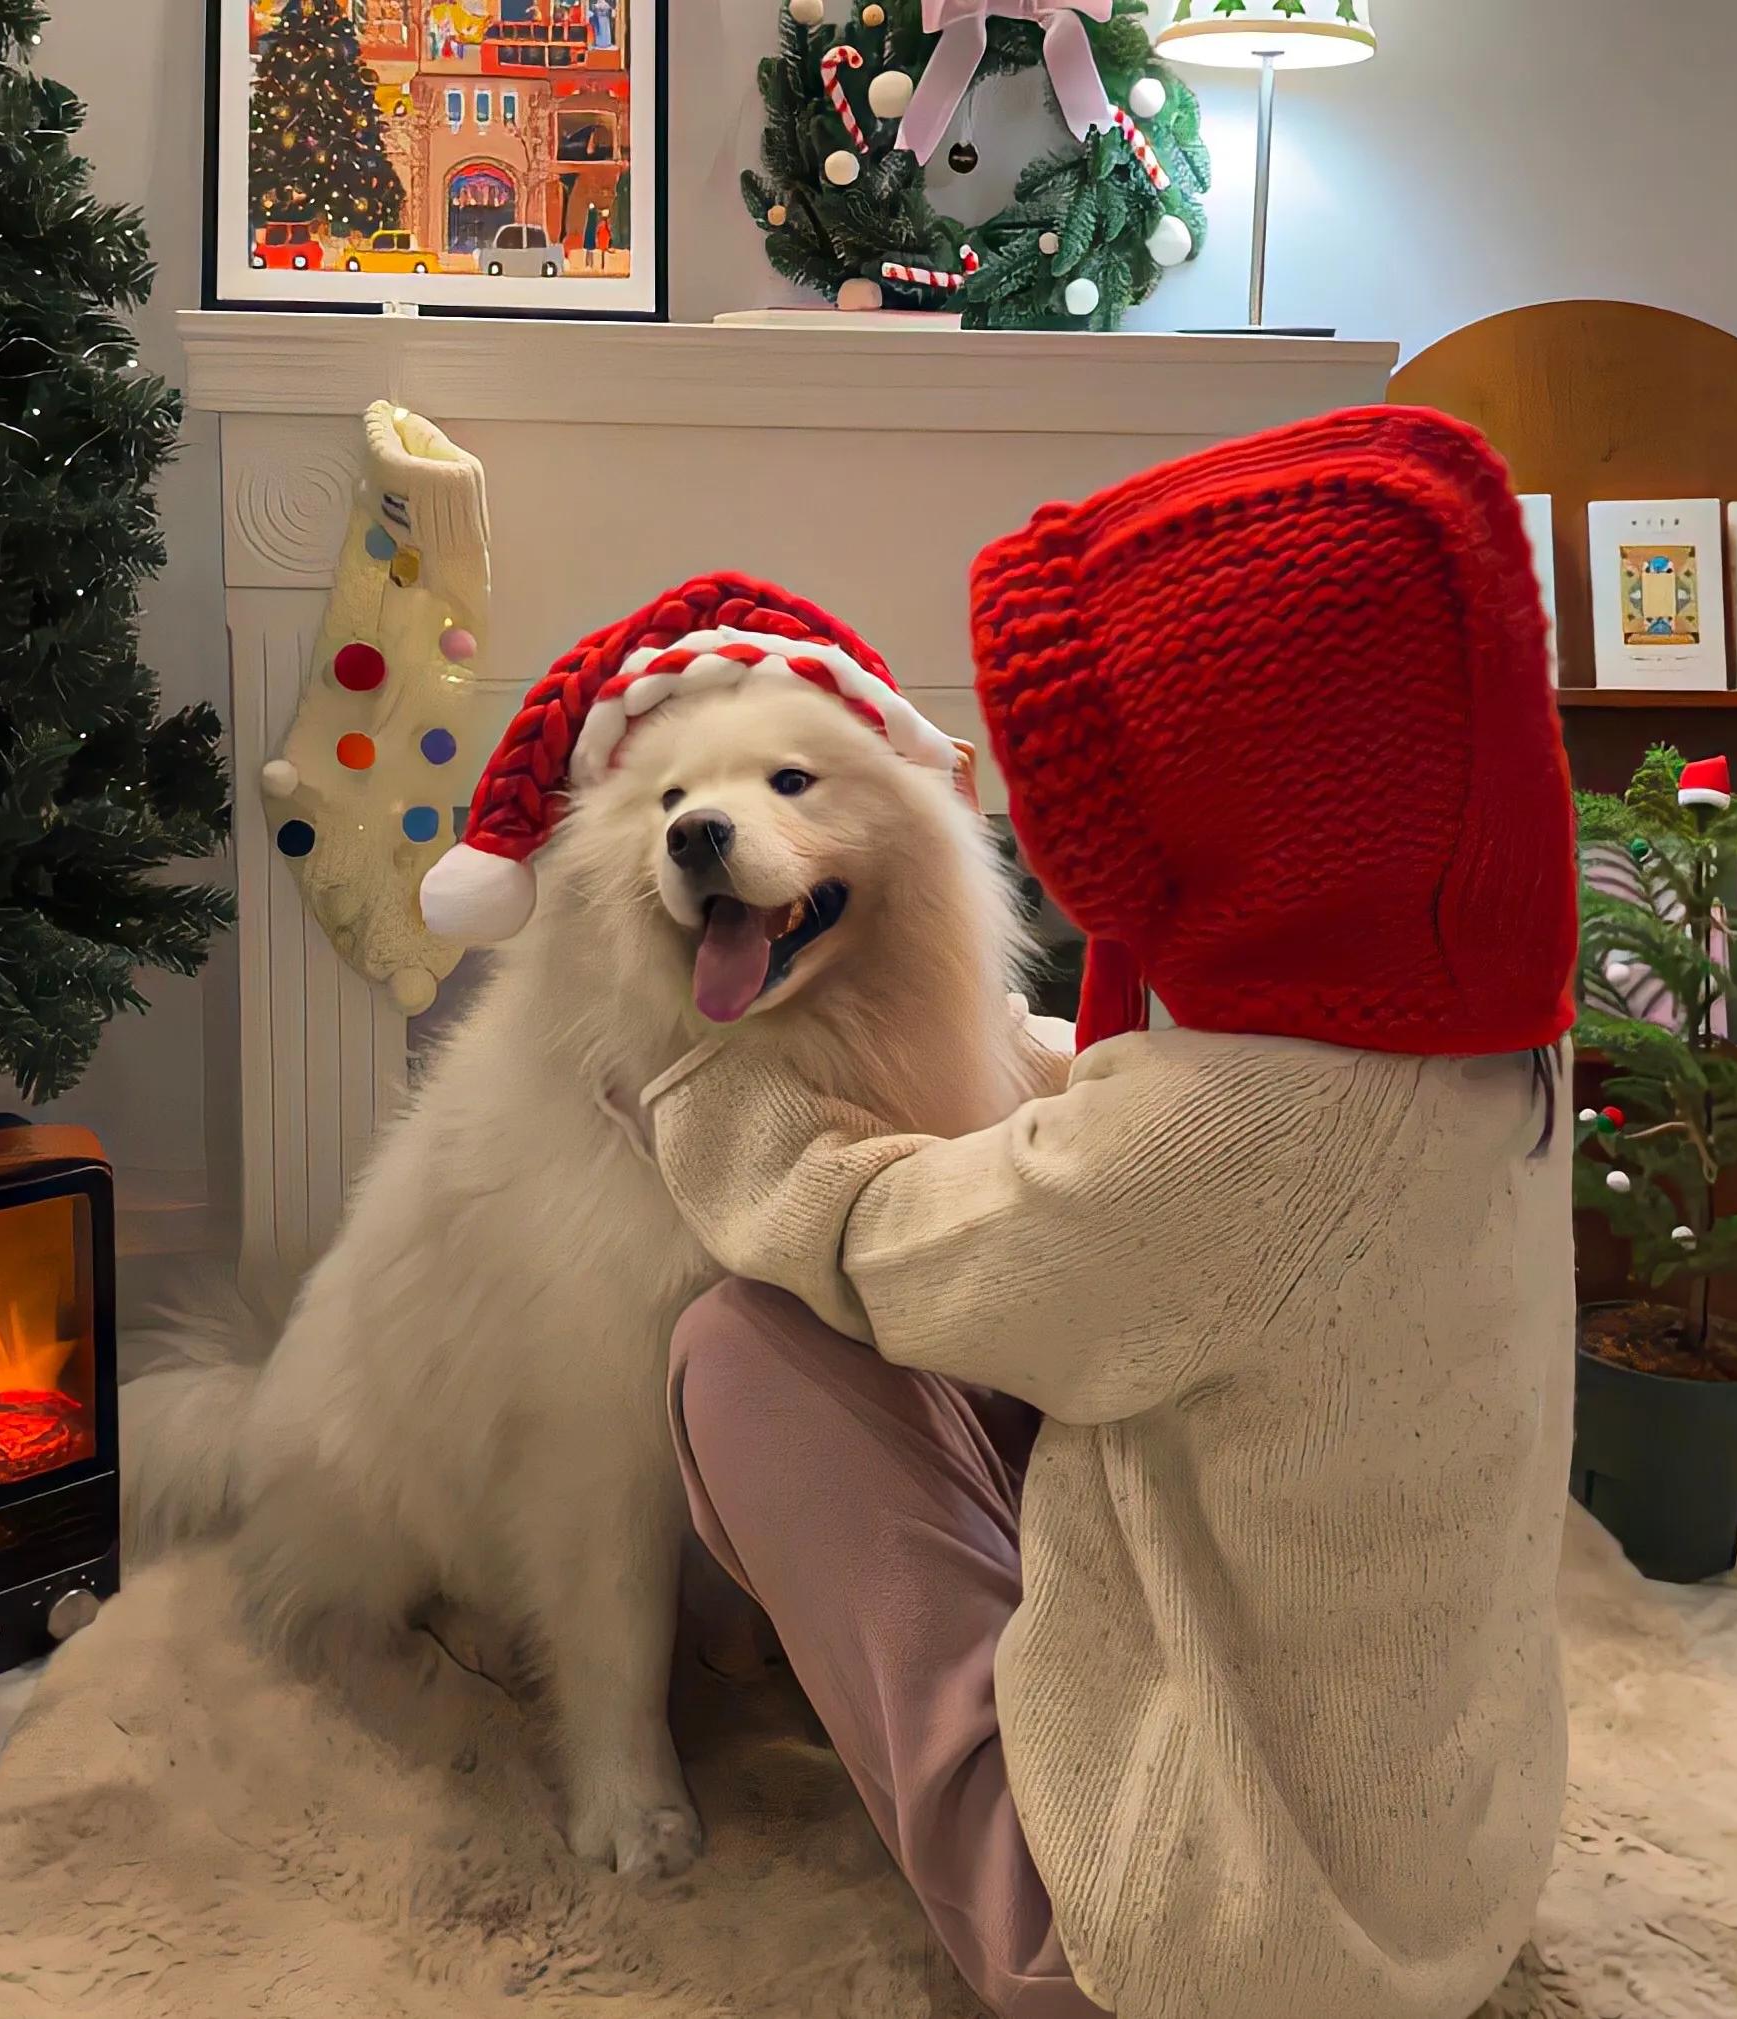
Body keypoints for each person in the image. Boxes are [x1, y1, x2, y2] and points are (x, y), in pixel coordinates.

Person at [638, 407, 1578, 2019]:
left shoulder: (1242, 1140)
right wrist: (1015, 1049)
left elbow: (901, 1244)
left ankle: (1015, 1916)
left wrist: (704, 1099)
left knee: (746, 1347)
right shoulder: (1472, 1029)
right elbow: (1171, 1166)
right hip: (1439, 1867)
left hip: (1209, 1947)